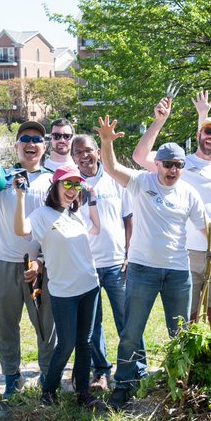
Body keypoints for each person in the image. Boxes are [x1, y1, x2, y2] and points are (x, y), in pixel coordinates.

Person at [97, 117, 211, 409]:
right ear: (157, 164)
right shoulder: (140, 182)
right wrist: (107, 142)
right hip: (142, 270)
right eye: (168, 164)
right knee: (132, 332)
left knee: (183, 334)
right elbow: (110, 168)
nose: (173, 169)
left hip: (177, 273)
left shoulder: (188, 194)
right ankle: (123, 384)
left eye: (178, 165)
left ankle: (181, 384)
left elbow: (209, 229)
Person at [132, 91, 211, 328]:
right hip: (185, 254)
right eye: (207, 131)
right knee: (187, 319)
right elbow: (139, 156)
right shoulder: (178, 164)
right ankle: (190, 364)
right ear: (199, 133)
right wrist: (159, 121)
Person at [20, 165, 103, 407]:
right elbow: (21, 230)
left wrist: (93, 199)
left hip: (89, 286)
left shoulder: (74, 213)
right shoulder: (42, 214)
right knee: (66, 343)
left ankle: (83, 393)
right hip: (63, 292)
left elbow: (96, 229)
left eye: (76, 185)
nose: (72, 189)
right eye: (67, 183)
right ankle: (48, 392)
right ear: (54, 186)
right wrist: (18, 197)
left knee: (85, 342)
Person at [0, 120, 56, 399]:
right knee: (7, 324)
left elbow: (58, 223)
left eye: (37, 140)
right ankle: (11, 377)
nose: (31, 144)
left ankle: (46, 376)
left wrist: (42, 259)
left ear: (45, 146)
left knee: (45, 324)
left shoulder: (53, 179)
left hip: (40, 264)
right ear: (16, 145)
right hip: (6, 262)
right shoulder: (1, 179)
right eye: (25, 139)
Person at [72, 133, 132, 392]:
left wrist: (130, 254)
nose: (84, 156)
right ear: (73, 157)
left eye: (88, 150)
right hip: (87, 265)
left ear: (97, 151)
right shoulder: (70, 184)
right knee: (92, 324)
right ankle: (101, 372)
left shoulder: (115, 180)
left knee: (126, 321)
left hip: (117, 263)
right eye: (78, 153)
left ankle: (130, 371)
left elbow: (129, 219)